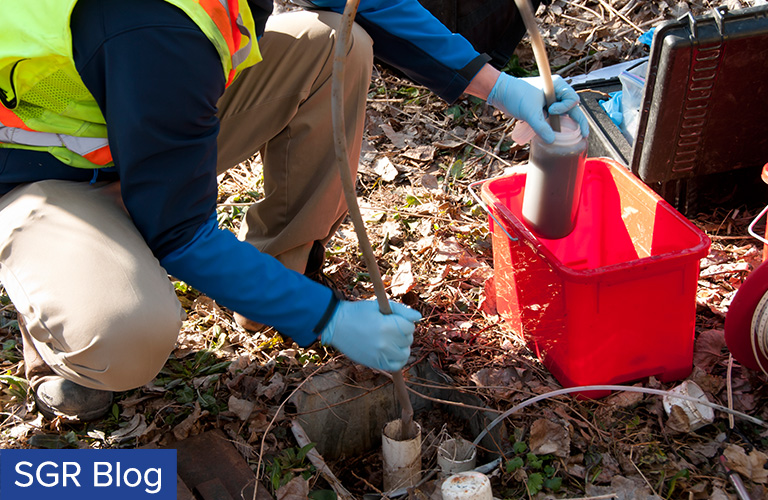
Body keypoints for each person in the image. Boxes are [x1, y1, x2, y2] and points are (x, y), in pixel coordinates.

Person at [0, 0, 588, 421]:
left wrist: (499, 88)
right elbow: (177, 228)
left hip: (149, 113)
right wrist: (328, 318)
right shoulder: (148, 25)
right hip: (48, 169)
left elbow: (366, 2)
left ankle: (274, 275)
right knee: (125, 330)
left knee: (339, 44)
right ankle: (62, 341)